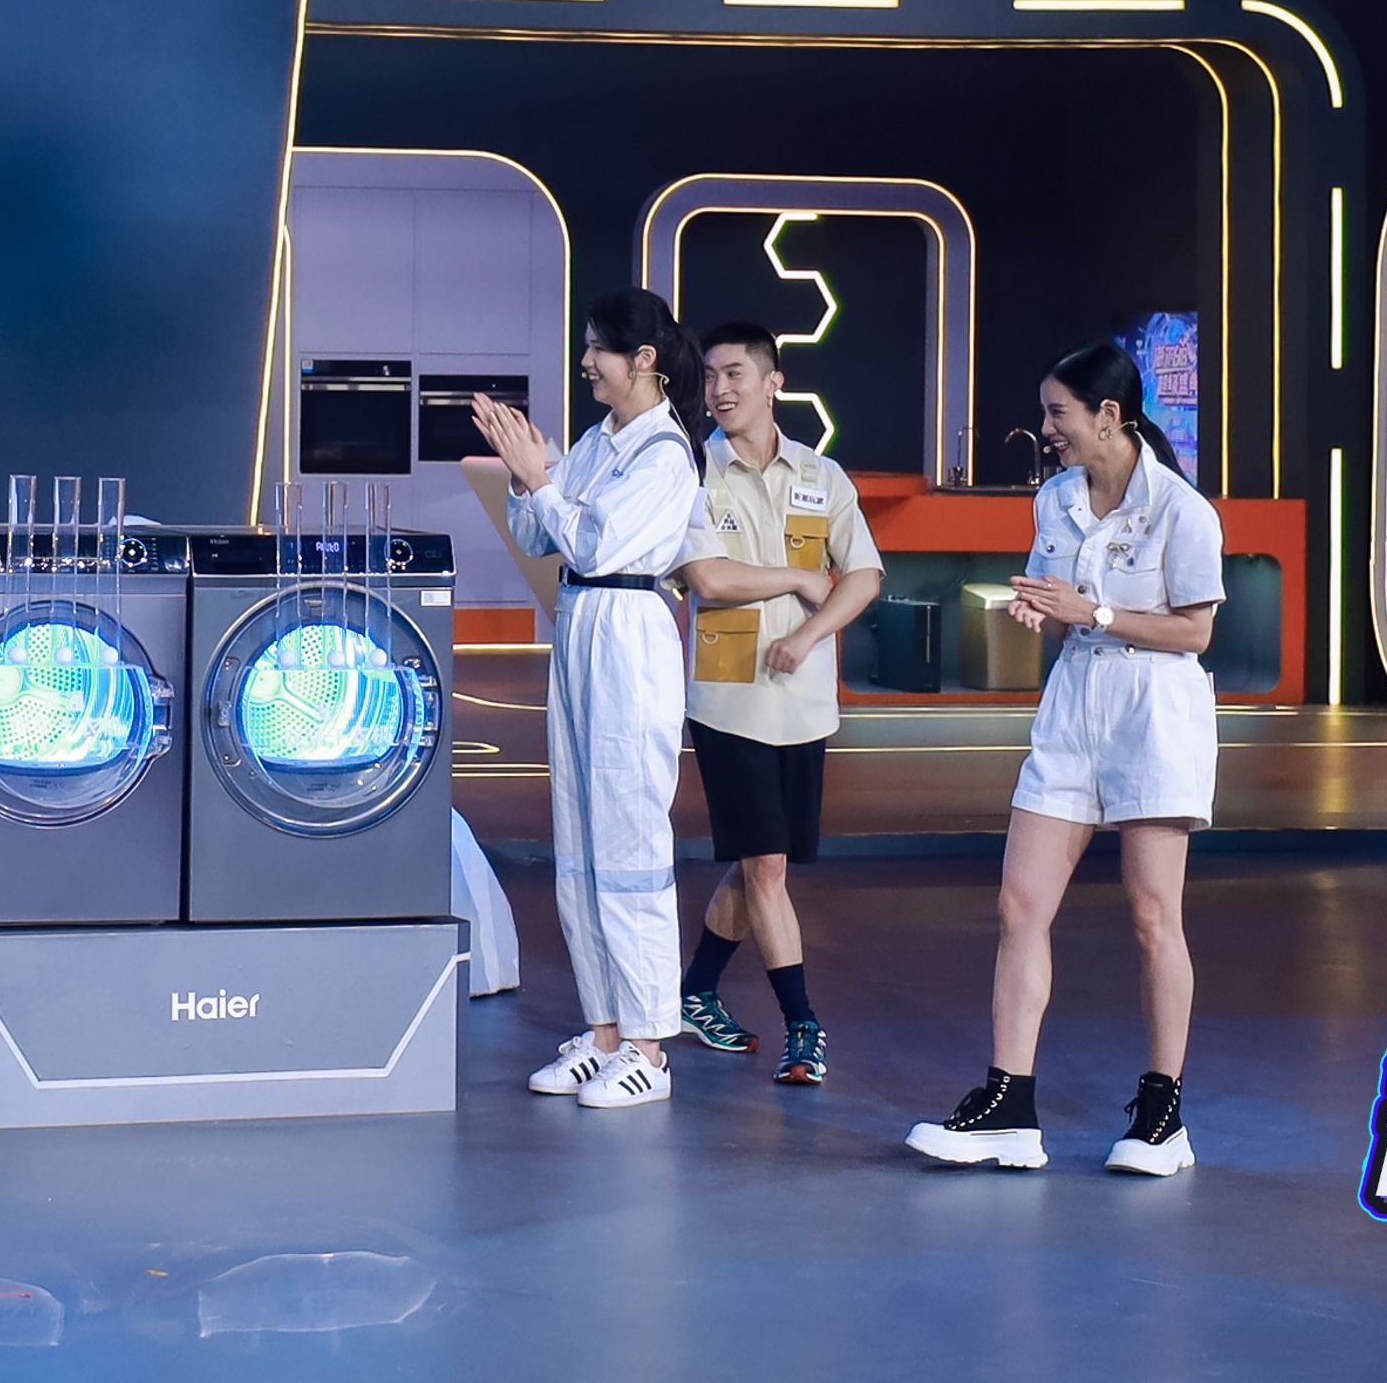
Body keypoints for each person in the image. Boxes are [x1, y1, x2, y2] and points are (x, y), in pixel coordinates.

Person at [476, 290, 821, 1111]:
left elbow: (598, 542)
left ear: (642, 360)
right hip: (579, 621)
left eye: (598, 348)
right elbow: (540, 535)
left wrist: (541, 480)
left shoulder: (666, 452)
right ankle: (603, 1031)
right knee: (580, 840)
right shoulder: (599, 439)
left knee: (629, 838)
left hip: (628, 628)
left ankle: (648, 1046)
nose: (585, 361)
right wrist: (528, 480)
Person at [909, 338, 1225, 1178]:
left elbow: (1195, 632)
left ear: (1108, 416)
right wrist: (1044, 615)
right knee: (1019, 906)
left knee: (1153, 916)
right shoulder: (1053, 499)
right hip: (1072, 706)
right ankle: (1008, 1105)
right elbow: (1062, 611)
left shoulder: (1182, 511)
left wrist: (1096, 614)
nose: (1047, 428)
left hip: (1153, 713)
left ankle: (1162, 1114)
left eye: (1058, 414)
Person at [673, 323, 886, 1088]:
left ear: (773, 382)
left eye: (733, 373)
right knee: (765, 865)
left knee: (758, 858)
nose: (718, 389)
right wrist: (797, 579)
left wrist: (808, 635)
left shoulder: (821, 475)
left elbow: (862, 575)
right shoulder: (690, 471)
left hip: (804, 704)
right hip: (727, 698)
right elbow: (708, 576)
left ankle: (695, 989)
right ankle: (803, 1026)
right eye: (709, 376)